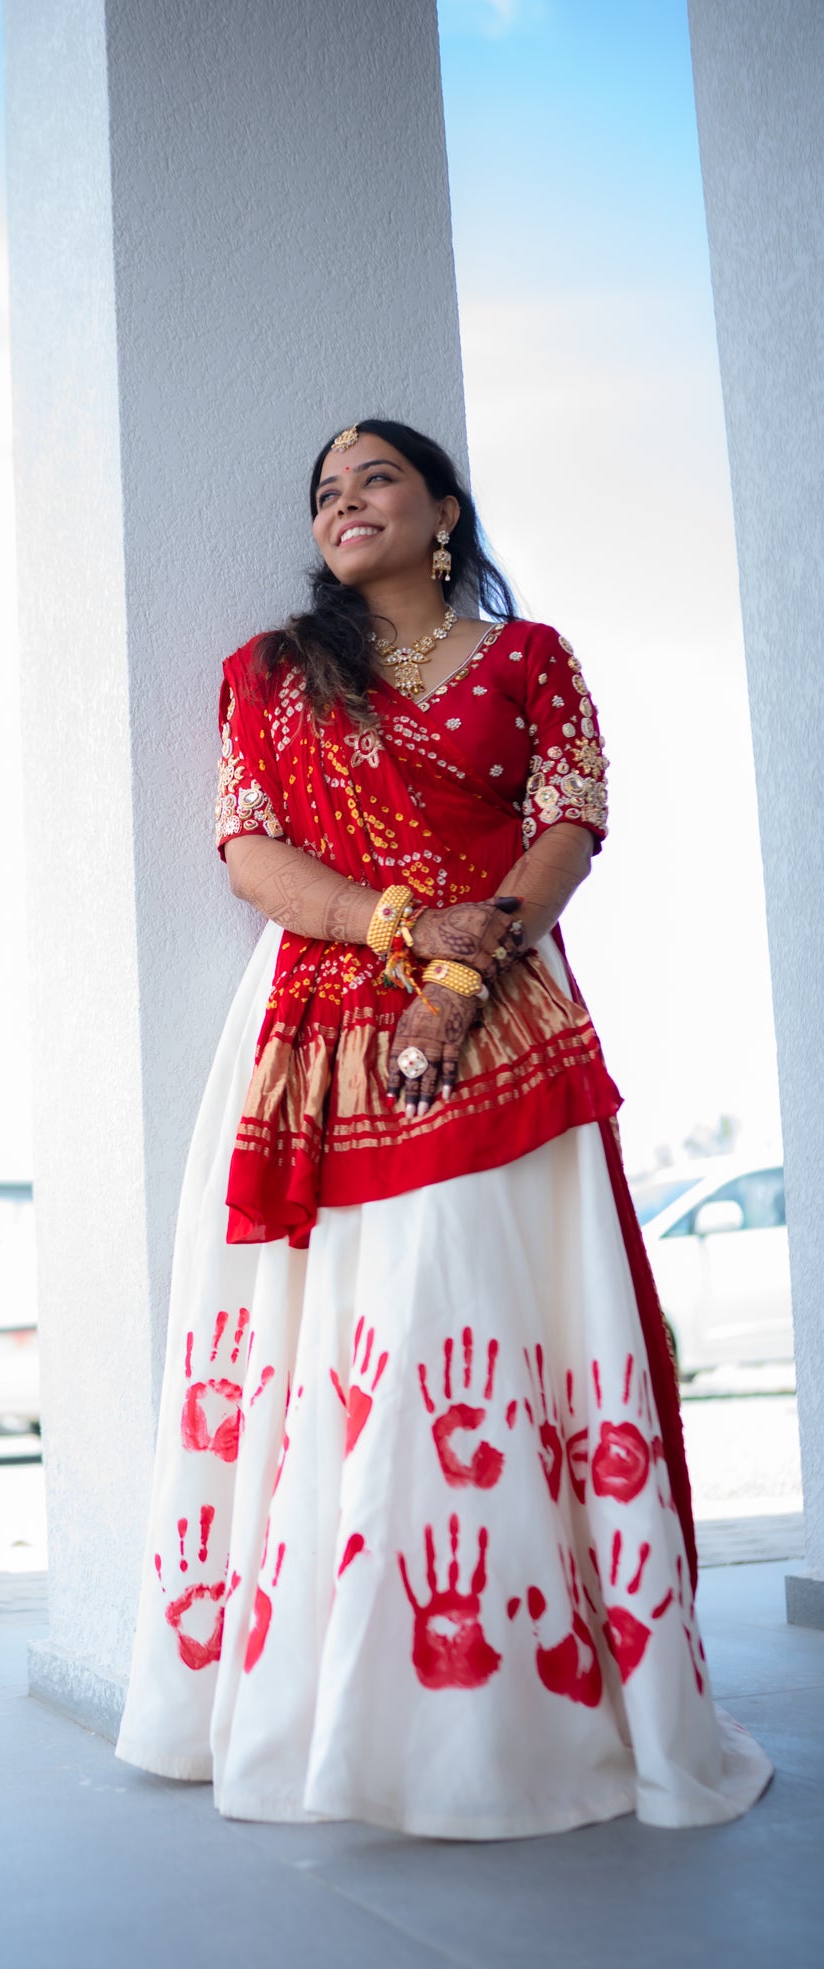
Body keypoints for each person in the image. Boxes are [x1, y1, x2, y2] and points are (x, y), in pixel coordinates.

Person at [113, 419, 772, 1836]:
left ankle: (505, 1713)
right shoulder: (271, 677)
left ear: (443, 511)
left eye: (376, 481)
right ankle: (326, 1700)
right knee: (347, 1337)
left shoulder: (531, 663)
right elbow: (248, 854)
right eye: (325, 493)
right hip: (318, 1033)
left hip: (502, 1019)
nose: (345, 504)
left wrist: (469, 969)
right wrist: (404, 927)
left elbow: (568, 825)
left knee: (475, 1320)